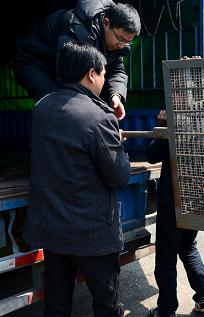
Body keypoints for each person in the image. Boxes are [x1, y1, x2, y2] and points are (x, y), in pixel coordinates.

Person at [24, 41, 131, 317]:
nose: (105, 79)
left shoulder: (41, 109)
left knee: (57, 308)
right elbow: (118, 175)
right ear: (90, 74)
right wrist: (117, 145)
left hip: (53, 232)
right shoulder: (98, 117)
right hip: (92, 235)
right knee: (107, 307)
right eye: (104, 73)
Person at [13, 0, 141, 120]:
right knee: (59, 106)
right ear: (106, 23)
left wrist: (116, 96)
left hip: (58, 64)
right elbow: (69, 75)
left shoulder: (117, 43)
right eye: (120, 38)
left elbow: (117, 71)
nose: (122, 45)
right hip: (32, 60)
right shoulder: (76, 27)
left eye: (127, 42)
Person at [147, 109, 204, 317]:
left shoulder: (174, 122)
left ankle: (166, 310)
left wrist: (161, 128)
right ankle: (203, 297)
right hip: (199, 199)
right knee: (188, 247)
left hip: (173, 202)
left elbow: (152, 156)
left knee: (165, 259)